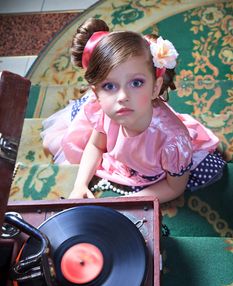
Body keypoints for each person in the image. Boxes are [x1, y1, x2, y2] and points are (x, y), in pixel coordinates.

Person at [41, 18, 226, 203]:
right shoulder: (105, 111)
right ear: (96, 93)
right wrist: (80, 184)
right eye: (109, 86)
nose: (122, 96)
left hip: (156, 161)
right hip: (125, 160)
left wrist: (129, 203)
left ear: (155, 87)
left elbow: (173, 186)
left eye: (136, 83)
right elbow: (96, 145)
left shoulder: (173, 141)